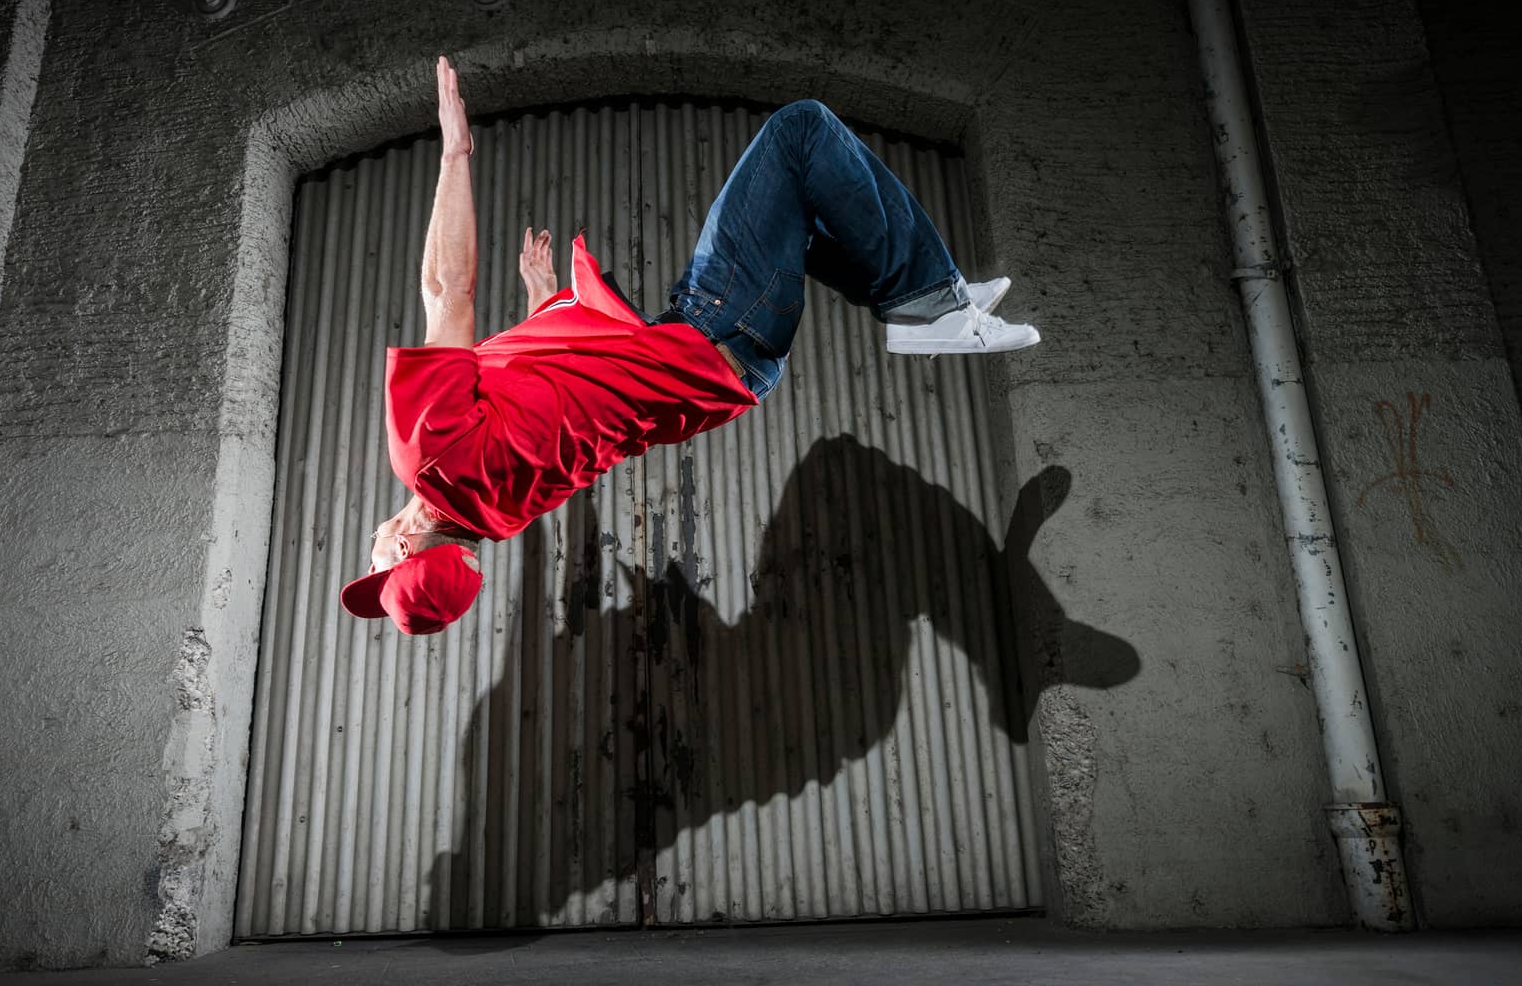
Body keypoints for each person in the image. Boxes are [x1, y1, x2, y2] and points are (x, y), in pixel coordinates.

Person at [340, 55, 1041, 635]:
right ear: (403, 547)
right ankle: (930, 306)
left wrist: (541, 303)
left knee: (801, 212)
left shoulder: (500, 515)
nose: (369, 553)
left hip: (736, 371)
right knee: (799, 133)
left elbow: (567, 415)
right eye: (377, 564)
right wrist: (455, 154)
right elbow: (447, 288)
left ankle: (920, 300)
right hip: (711, 332)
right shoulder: (426, 454)